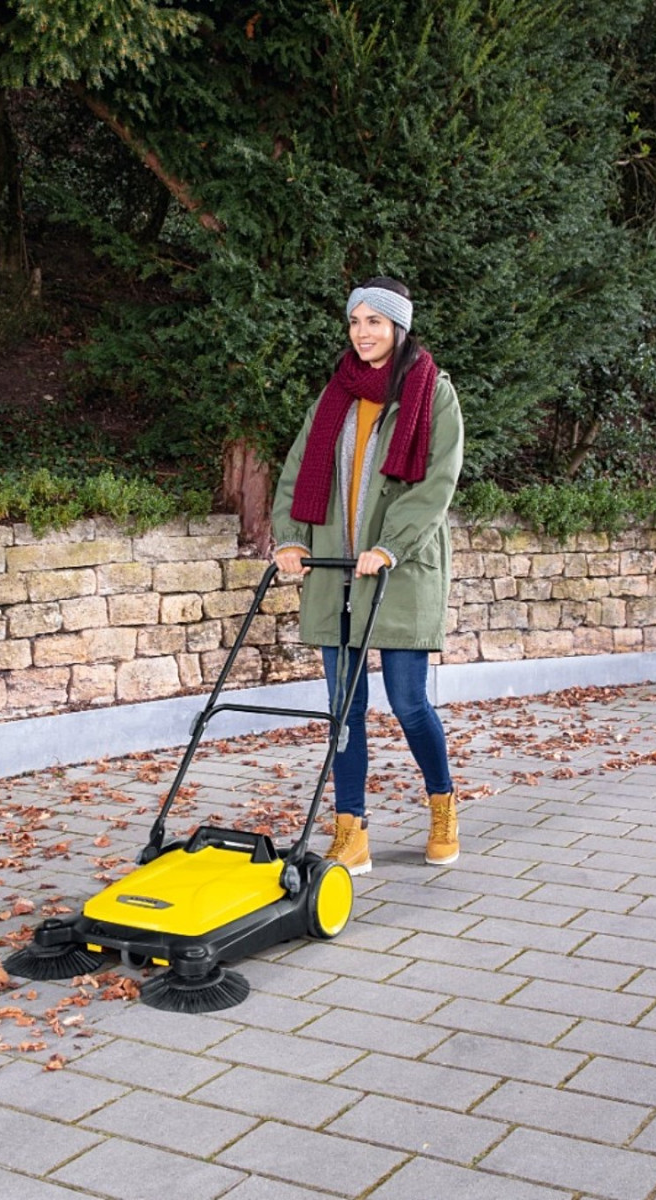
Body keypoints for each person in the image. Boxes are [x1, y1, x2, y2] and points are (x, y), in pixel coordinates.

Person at [270, 277, 465, 874]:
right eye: (355, 321)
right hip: (337, 566)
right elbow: (298, 468)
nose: (362, 332)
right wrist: (290, 537)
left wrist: (389, 545)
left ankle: (442, 804)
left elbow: (437, 481)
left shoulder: (432, 393)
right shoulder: (336, 396)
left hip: (398, 569)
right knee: (343, 707)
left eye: (374, 321)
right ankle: (350, 829)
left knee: (408, 701)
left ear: (397, 328)